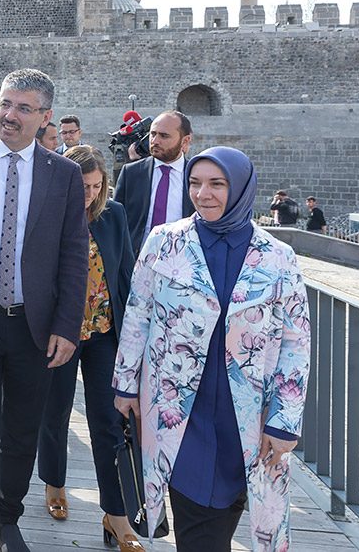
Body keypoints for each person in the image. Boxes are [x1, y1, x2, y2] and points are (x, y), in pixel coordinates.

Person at [113, 146, 311, 552]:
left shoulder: (278, 257)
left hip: (250, 418)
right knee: (198, 521)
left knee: (236, 506)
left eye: (216, 184)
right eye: (195, 183)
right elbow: (138, 314)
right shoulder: (164, 241)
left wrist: (285, 420)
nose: (203, 194)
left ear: (240, 187)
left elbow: (297, 339)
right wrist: (125, 384)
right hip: (181, 409)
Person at [0, 68, 87, 552]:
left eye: (23, 108)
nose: (8, 115)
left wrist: (68, 325)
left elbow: (74, 254)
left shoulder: (64, 174)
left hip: (35, 327)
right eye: (5, 104)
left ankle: (8, 517)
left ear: (45, 117)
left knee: (23, 432)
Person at [36, 146, 140, 549]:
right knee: (55, 413)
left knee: (109, 422)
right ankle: (54, 481)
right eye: (83, 187)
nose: (90, 194)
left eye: (97, 187)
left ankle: (116, 516)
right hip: (59, 334)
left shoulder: (113, 215)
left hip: (104, 334)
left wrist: (135, 338)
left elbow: (126, 275)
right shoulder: (48, 213)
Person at [112, 111, 195, 249]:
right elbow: (116, 220)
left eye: (164, 136)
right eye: (152, 134)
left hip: (183, 262)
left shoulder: (196, 176)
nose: (155, 141)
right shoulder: (131, 173)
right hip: (137, 262)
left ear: (185, 140)